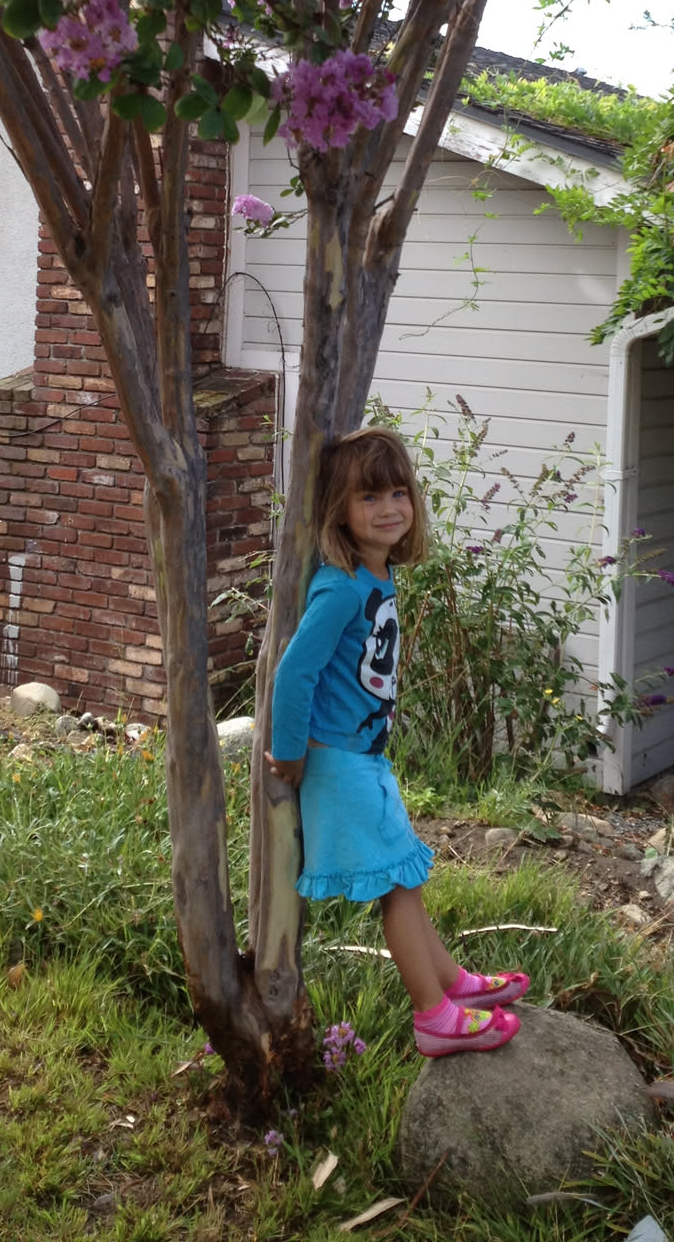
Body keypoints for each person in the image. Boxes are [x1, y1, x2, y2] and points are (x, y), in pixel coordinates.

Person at [266, 425, 527, 1057]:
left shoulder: (376, 576)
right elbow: (294, 672)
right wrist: (289, 751)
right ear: (340, 510)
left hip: (363, 759)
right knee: (397, 890)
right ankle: (434, 1017)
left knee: (405, 879)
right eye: (368, 497)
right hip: (336, 763)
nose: (388, 508)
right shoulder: (342, 586)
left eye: (398, 493)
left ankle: (452, 983)